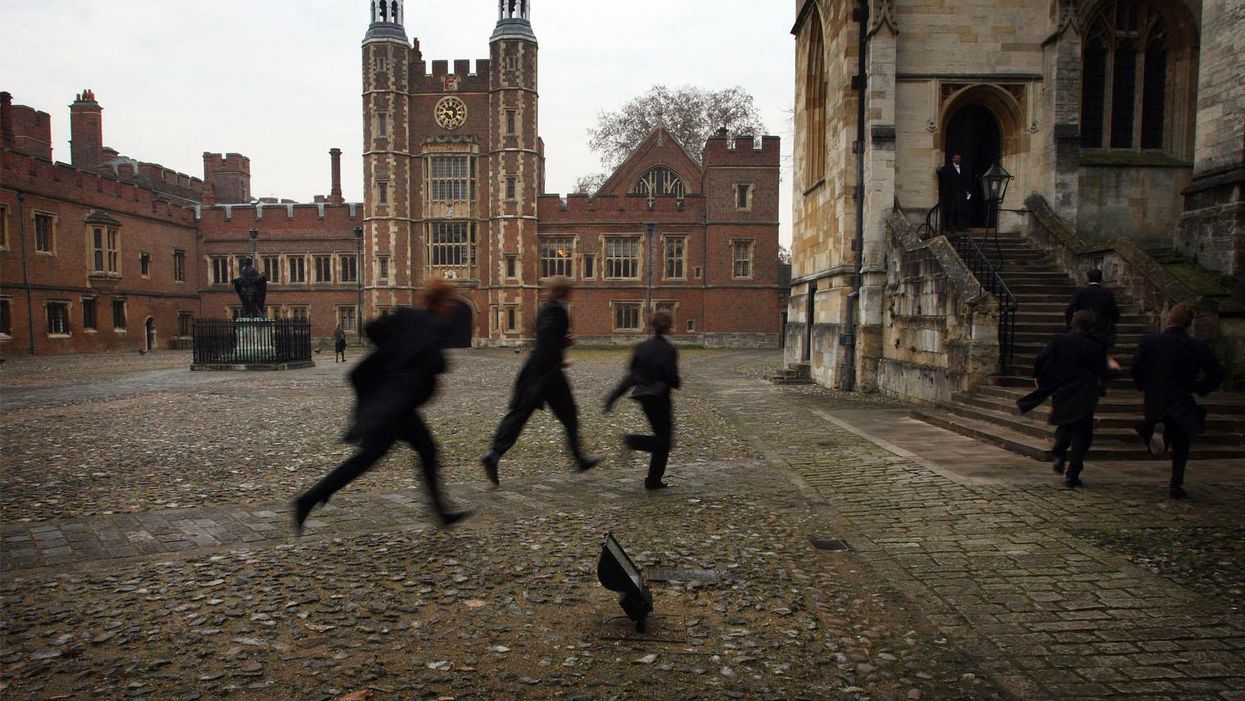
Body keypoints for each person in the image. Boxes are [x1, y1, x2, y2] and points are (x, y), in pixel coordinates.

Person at [292, 278, 470, 533]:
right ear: (441, 302)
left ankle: (442, 513)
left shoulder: (407, 317)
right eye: (449, 301)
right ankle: (308, 498)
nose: (452, 307)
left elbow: (373, 327)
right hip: (394, 409)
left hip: (398, 406)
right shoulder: (432, 325)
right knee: (372, 458)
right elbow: (435, 364)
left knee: (423, 451)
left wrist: (392, 352)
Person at [480, 276, 600, 485]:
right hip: (548, 374)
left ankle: (494, 455)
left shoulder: (546, 308)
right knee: (569, 416)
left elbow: (548, 335)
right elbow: (546, 336)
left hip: (535, 371)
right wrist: (558, 357)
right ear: (564, 291)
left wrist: (562, 342)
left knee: (519, 414)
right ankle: (580, 460)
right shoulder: (557, 310)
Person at [1131, 304, 1224, 499]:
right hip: (1181, 398)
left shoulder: (1150, 341)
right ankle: (1176, 483)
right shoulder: (1196, 346)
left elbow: (1136, 367)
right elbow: (1216, 373)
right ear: (1188, 324)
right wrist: (1200, 387)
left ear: (1169, 319)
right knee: (1182, 443)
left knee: (1155, 425)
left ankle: (1155, 433)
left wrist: (1143, 384)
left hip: (1156, 398)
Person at [1017, 309, 1118, 488]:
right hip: (1085, 393)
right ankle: (1072, 473)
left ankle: (1059, 453)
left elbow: (1040, 359)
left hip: (1063, 389)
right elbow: (1103, 372)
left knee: (1066, 424)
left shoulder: (1060, 341)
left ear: (1073, 323)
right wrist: (1114, 368)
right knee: (1082, 435)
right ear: (1091, 326)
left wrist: (1039, 378)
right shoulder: (1095, 347)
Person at [604, 311, 682, 490]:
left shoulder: (641, 347)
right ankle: (633, 441)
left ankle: (653, 480)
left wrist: (613, 397)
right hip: (660, 399)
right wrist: (676, 382)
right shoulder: (669, 350)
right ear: (669, 327)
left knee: (661, 438)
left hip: (644, 399)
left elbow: (632, 374)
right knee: (664, 441)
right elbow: (671, 377)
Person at [1065, 269, 1120, 347]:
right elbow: (1114, 311)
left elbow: (1069, 309)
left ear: (1088, 278)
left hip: (1085, 327)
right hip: (1103, 328)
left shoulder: (1081, 292)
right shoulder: (1107, 293)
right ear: (1101, 279)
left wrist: (1070, 324)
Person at [937, 153, 973, 232]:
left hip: (961, 194)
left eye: (958, 158)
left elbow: (966, 181)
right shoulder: (948, 168)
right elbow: (941, 174)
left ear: (960, 160)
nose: (957, 159)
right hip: (951, 194)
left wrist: (967, 191)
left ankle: (961, 227)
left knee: (961, 210)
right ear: (953, 159)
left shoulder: (963, 169)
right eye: (955, 158)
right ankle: (950, 226)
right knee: (951, 210)